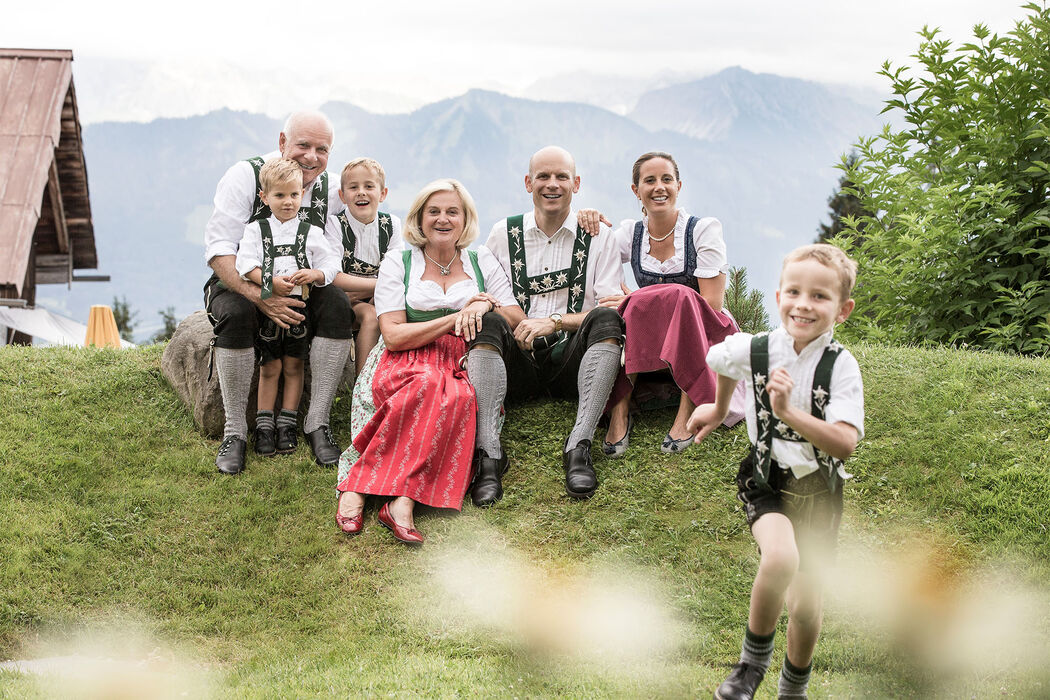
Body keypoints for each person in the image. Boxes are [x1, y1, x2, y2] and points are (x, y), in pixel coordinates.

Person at [687, 244, 864, 700]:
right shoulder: (760, 349)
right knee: (780, 558)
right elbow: (723, 359)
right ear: (778, 294)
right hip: (766, 479)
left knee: (805, 606)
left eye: (820, 297)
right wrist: (718, 406)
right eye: (794, 291)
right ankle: (750, 667)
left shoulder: (840, 367)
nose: (804, 303)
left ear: (842, 310)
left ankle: (793, 690)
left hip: (820, 495)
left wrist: (787, 411)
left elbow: (844, 443)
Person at [334, 179, 519, 545]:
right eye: (433, 211)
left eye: (453, 211)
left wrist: (485, 304)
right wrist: (454, 319)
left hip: (462, 357)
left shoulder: (481, 260)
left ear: (466, 219)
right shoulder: (399, 263)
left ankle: (400, 500)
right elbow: (394, 335)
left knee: (461, 397)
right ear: (418, 218)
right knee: (427, 384)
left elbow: (514, 316)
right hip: (406, 356)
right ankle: (361, 485)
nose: (443, 219)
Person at [463, 146, 625, 506]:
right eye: (543, 176)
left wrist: (554, 322)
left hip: (574, 363)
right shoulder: (503, 234)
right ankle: (489, 456)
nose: (552, 185)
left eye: (561, 177)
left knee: (607, 318)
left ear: (576, 183)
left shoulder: (599, 236)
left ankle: (579, 444)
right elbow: (490, 292)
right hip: (517, 365)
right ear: (528, 183)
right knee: (486, 322)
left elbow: (612, 303)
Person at [203, 111, 353, 475]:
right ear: (282, 141)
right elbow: (219, 249)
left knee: (337, 305)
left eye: (323, 149)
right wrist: (261, 295)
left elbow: (365, 221)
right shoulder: (245, 175)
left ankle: (316, 422)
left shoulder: (332, 189)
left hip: (302, 285)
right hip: (240, 282)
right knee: (237, 314)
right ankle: (236, 431)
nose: (312, 156)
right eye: (303, 145)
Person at [596, 151, 742, 457]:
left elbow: (712, 304)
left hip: (705, 328)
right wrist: (586, 216)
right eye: (649, 181)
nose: (659, 187)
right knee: (630, 311)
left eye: (667, 179)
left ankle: (688, 409)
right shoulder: (630, 234)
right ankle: (620, 411)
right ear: (636, 190)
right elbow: (597, 251)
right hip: (653, 333)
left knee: (680, 297)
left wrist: (636, 297)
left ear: (679, 185)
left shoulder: (702, 230)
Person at [234, 158, 341, 457]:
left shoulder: (310, 232)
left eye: (294, 195)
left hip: (299, 309)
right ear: (264, 197)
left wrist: (316, 274)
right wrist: (267, 280)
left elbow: (331, 262)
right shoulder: (256, 230)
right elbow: (244, 264)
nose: (288, 201)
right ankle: (264, 425)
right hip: (268, 310)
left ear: (301, 196)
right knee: (270, 366)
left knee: (295, 365)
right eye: (279, 195)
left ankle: (287, 423)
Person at [327, 157, 404, 375]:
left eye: (369, 186)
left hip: (377, 298)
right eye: (353, 187)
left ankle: (393, 377)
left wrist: (372, 289)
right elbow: (334, 277)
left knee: (393, 309)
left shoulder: (392, 225)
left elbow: (397, 273)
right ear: (342, 196)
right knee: (371, 315)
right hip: (341, 303)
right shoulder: (335, 225)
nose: (361, 192)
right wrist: (380, 285)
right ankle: (362, 386)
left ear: (383, 194)